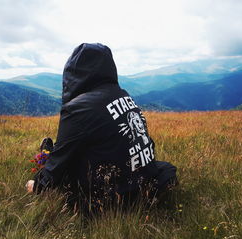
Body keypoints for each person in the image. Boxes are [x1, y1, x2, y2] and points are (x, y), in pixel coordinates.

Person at [26, 43, 177, 212]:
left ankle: (47, 151)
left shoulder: (78, 108)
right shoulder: (124, 95)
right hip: (142, 183)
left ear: (74, 72)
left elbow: (59, 162)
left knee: (65, 162)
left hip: (109, 197)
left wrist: (37, 185)